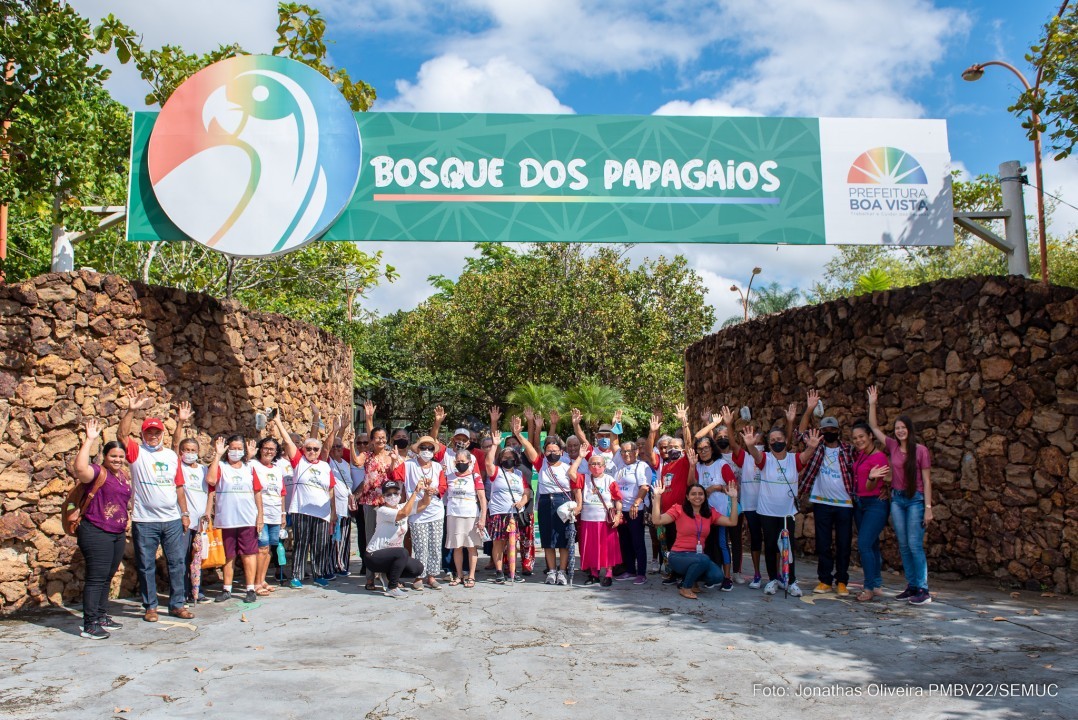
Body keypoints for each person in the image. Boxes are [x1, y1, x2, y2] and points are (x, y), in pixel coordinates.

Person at [117, 388, 193, 622]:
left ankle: (177, 604)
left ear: (161, 434)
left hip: (171, 519)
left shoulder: (171, 456)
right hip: (145, 520)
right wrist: (131, 410)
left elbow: (179, 487)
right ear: (143, 434)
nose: (153, 436)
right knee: (146, 564)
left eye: (156, 432)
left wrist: (185, 513)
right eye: (149, 432)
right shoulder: (137, 453)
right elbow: (121, 435)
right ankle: (150, 606)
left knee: (177, 563)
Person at [868, 386, 934, 605]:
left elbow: (927, 481)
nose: (900, 431)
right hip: (897, 500)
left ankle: (923, 589)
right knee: (903, 545)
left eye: (903, 428)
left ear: (909, 429)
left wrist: (928, 508)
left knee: (915, 544)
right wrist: (872, 404)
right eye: (897, 428)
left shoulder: (921, 450)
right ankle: (912, 585)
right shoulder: (892, 446)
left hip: (916, 500)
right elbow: (874, 427)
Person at [739, 423, 819, 598]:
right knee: (769, 546)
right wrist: (750, 445)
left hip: (787, 512)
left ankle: (791, 581)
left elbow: (806, 456)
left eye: (779, 439)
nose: (776, 442)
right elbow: (755, 455)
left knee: (788, 547)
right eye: (773, 440)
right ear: (769, 443)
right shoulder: (765, 458)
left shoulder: (793, 459)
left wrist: (812, 447)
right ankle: (773, 579)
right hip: (767, 511)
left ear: (785, 440)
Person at [72, 418, 132, 639]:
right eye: (113, 456)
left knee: (107, 576)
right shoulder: (98, 473)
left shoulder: (122, 476)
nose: (117, 459)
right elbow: (80, 469)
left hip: (116, 533)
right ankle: (89, 624)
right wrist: (89, 440)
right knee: (96, 578)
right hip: (96, 530)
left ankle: (101, 615)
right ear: (105, 457)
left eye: (120, 456)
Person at [797, 391, 857, 597]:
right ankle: (824, 580)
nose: (829, 432)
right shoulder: (816, 447)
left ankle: (842, 581)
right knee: (823, 543)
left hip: (845, 504)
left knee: (843, 544)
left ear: (838, 431)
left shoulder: (848, 450)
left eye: (832, 429)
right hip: (821, 502)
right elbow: (800, 432)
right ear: (821, 432)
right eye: (825, 430)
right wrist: (809, 409)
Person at [272, 410, 339, 589]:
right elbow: (288, 441)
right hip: (301, 510)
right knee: (301, 544)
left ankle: (319, 574)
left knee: (320, 545)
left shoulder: (325, 466)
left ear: (319, 451)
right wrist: (278, 422)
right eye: (308, 448)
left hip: (322, 513)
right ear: (303, 450)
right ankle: (296, 576)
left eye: (315, 449)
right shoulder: (299, 462)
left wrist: (333, 512)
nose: (312, 451)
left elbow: (331, 490)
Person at [650, 472, 741, 600]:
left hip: (698, 557)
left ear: (705, 496)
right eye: (693, 494)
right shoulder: (679, 509)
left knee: (717, 576)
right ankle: (685, 587)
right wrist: (657, 497)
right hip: (678, 556)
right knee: (703, 559)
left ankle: (692, 581)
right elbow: (657, 520)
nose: (697, 497)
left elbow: (732, 522)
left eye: (700, 494)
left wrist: (733, 498)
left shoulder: (709, 513)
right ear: (687, 497)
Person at [517, 409, 572, 585]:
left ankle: (562, 572)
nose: (551, 453)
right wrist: (518, 434)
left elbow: (576, 487)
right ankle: (552, 571)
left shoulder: (567, 467)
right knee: (548, 540)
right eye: (548, 451)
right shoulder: (541, 464)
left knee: (563, 540)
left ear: (561, 452)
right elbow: (530, 448)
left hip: (563, 502)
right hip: (545, 502)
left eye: (555, 450)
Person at [206, 435, 264, 603]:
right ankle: (227, 589)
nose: (236, 451)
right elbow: (211, 480)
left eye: (239, 448)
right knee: (228, 555)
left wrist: (260, 516)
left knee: (249, 554)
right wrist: (217, 455)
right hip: (226, 520)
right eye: (233, 448)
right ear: (227, 449)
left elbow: (257, 492)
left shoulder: (249, 468)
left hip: (248, 519)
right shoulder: (221, 466)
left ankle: (250, 589)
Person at [353, 401, 403, 591]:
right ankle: (370, 577)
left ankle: (390, 576)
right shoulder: (367, 455)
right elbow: (356, 462)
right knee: (371, 539)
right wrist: (368, 418)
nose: (380, 440)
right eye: (377, 438)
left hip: (388, 503)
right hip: (370, 502)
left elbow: (396, 475)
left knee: (390, 539)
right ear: (372, 440)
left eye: (383, 438)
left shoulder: (392, 454)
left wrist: (395, 461)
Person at [642, 406, 695, 584]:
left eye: (676, 447)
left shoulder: (684, 462)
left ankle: (683, 574)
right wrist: (652, 432)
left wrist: (684, 422)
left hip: (681, 511)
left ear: (682, 449)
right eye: (670, 447)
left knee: (681, 544)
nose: (672, 449)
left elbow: (689, 444)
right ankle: (672, 572)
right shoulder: (665, 466)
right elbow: (649, 453)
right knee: (669, 543)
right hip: (666, 512)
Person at [391, 435, 448, 590]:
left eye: (430, 448)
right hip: (416, 511)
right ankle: (419, 576)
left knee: (435, 545)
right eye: (423, 448)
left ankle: (432, 576)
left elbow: (443, 486)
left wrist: (436, 490)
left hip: (435, 511)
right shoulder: (409, 465)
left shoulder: (437, 467)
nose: (427, 451)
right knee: (420, 546)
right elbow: (395, 476)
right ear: (418, 450)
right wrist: (394, 461)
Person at [172, 403, 213, 605]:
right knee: (181, 558)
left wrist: (208, 513)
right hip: (183, 521)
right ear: (181, 452)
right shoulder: (178, 466)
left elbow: (210, 492)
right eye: (186, 450)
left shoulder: (204, 470)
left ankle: (196, 590)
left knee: (197, 557)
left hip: (200, 522)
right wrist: (180, 422)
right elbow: (174, 444)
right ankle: (182, 593)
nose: (190, 453)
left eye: (193, 450)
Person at [364, 479, 432, 598]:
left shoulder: (402, 506)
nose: (393, 496)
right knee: (402, 552)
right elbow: (403, 514)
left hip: (392, 556)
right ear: (383, 497)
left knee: (418, 568)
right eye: (389, 494)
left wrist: (427, 492)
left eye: (395, 493)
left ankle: (388, 575)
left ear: (400, 494)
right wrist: (415, 492)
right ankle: (392, 588)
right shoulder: (382, 511)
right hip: (374, 556)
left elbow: (424, 504)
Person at [486, 413, 532, 584]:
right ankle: (499, 572)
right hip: (499, 513)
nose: (508, 459)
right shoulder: (496, 471)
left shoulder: (519, 474)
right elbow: (488, 463)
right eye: (505, 457)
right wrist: (494, 445)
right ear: (501, 459)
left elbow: (526, 492)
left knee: (513, 543)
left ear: (515, 459)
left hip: (514, 514)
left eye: (511, 457)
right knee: (499, 543)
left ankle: (512, 570)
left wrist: (522, 502)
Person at [850, 420, 891, 602]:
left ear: (870, 436)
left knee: (864, 544)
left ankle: (868, 588)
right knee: (872, 544)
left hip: (875, 504)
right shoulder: (861, 455)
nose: (858, 440)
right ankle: (876, 584)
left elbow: (870, 486)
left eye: (861, 436)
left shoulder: (879, 458)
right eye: (855, 438)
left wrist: (872, 478)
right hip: (860, 504)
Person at [569, 453, 623, 586]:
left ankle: (608, 574)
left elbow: (618, 499)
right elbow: (571, 473)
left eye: (599, 464)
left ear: (604, 466)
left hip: (605, 520)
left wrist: (618, 515)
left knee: (608, 548)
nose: (596, 466)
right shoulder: (584, 478)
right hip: (588, 520)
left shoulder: (609, 480)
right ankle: (594, 574)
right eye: (593, 464)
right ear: (588, 466)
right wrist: (580, 457)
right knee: (591, 548)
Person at [694, 435, 738, 591]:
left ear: (712, 448)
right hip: (704, 513)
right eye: (700, 449)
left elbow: (733, 487)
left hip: (720, 512)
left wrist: (715, 488)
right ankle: (711, 576)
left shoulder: (722, 465)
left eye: (706, 448)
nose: (703, 451)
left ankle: (727, 577)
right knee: (707, 545)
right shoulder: (698, 467)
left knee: (722, 543)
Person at [444, 447, 488, 588]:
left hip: (470, 515)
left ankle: (471, 575)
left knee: (471, 546)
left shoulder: (475, 477)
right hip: (453, 514)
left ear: (469, 462)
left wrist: (482, 518)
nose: (460, 463)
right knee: (457, 546)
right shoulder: (449, 476)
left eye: (463, 461)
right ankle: (459, 575)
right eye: (458, 461)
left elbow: (482, 498)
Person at [250, 435, 287, 594]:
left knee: (269, 548)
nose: (269, 451)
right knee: (262, 547)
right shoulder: (253, 465)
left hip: (275, 513)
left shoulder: (277, 469)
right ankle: (256, 583)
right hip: (260, 514)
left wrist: (283, 514)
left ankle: (262, 579)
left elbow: (282, 493)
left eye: (272, 449)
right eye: (266, 448)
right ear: (260, 449)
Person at [612, 442, 651, 584]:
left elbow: (644, 487)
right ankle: (630, 570)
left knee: (637, 541)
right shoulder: (619, 466)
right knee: (625, 541)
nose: (626, 454)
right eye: (623, 451)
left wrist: (636, 503)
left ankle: (641, 573)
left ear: (636, 451)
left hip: (635, 510)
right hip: (621, 510)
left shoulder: (642, 466)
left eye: (629, 451)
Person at [327, 431, 354, 577]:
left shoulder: (346, 464)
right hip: (334, 507)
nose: (337, 448)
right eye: (334, 446)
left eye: (339, 446)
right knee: (334, 539)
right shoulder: (329, 463)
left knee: (344, 538)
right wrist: (341, 428)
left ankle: (342, 565)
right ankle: (333, 566)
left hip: (346, 507)